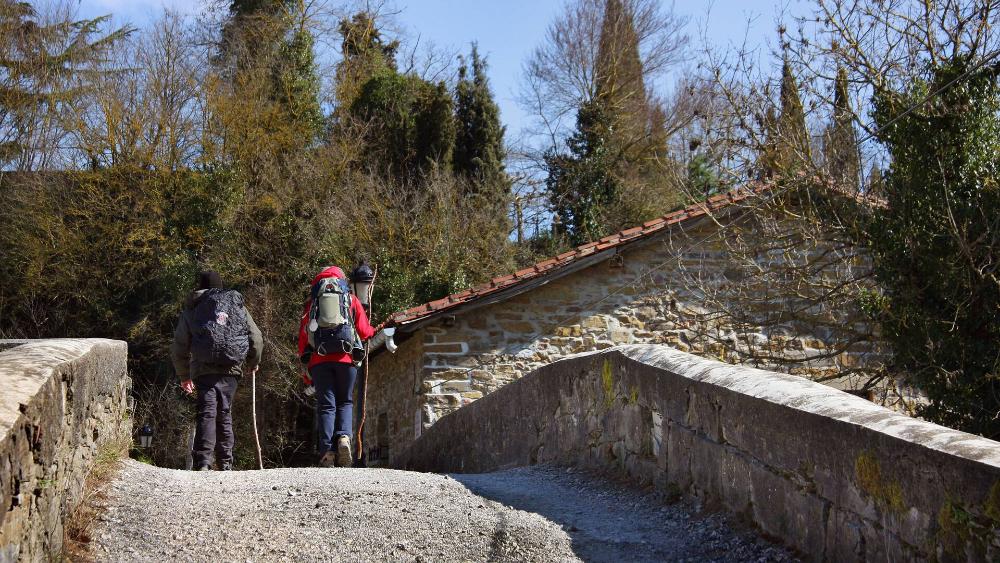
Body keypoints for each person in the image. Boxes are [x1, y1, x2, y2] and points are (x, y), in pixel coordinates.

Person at [170, 271, 262, 471]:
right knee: (225, 411)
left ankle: (203, 461)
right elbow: (256, 336)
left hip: (204, 370)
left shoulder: (193, 308)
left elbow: (180, 345)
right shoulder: (236, 307)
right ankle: (226, 462)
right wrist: (253, 361)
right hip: (231, 369)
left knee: (207, 412)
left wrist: (184, 376)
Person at [298, 266, 375, 467]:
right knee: (345, 402)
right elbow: (365, 332)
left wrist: (306, 370)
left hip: (320, 361)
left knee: (326, 405)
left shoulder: (313, 303)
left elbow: (304, 337)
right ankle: (343, 438)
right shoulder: (350, 299)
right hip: (346, 359)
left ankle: (327, 453)